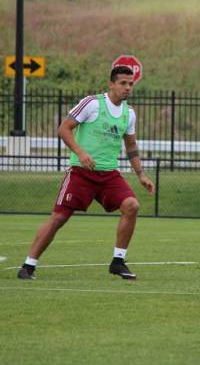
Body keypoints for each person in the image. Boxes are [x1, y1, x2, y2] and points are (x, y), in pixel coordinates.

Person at [17, 66, 154, 280]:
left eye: (130, 84)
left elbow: (131, 145)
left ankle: (118, 262)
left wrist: (141, 174)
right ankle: (28, 265)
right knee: (59, 218)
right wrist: (80, 153)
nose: (127, 88)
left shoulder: (129, 113)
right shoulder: (92, 103)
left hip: (109, 175)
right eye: (123, 83)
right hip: (81, 173)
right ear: (111, 84)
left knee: (132, 206)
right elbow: (64, 128)